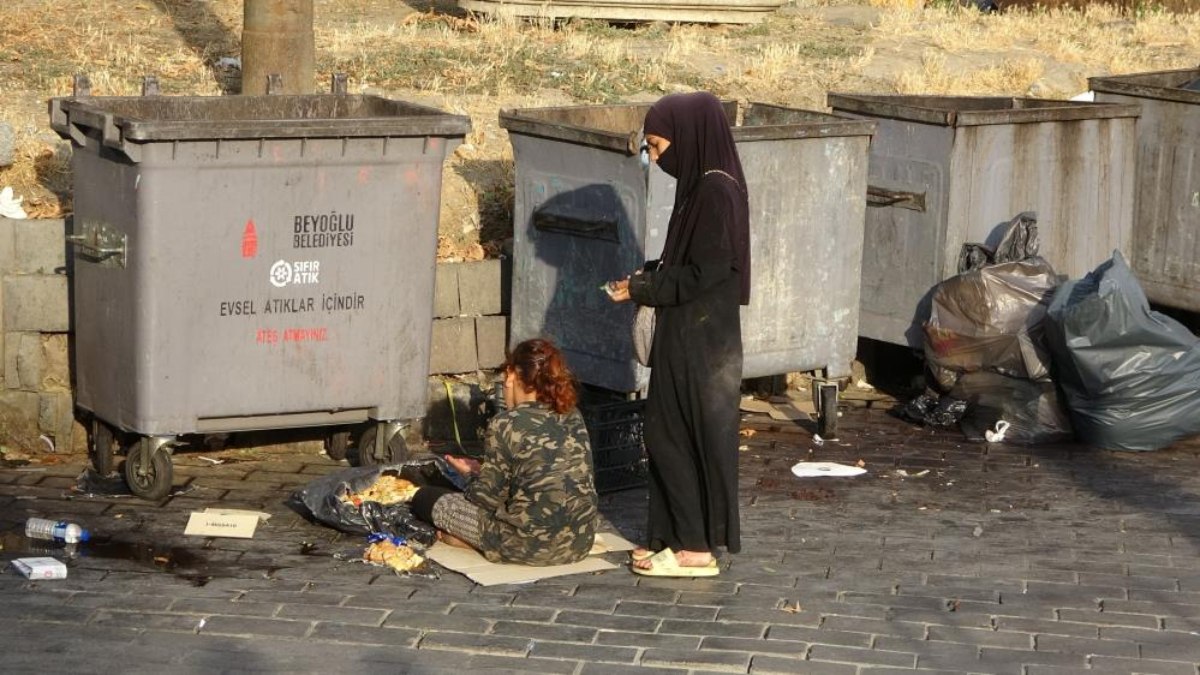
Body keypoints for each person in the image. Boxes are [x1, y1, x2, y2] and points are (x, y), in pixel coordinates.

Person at [606, 91, 750, 578]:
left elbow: (705, 272)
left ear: (687, 137)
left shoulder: (714, 191)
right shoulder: (702, 186)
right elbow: (690, 264)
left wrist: (647, 287)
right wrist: (649, 276)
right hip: (690, 332)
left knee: (679, 436)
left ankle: (694, 547)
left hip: (701, 340)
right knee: (669, 432)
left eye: (658, 145)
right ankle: (670, 537)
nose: (655, 157)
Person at [410, 338, 599, 566]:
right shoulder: (573, 415)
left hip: (525, 545)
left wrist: (470, 475)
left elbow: (487, 500)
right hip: (580, 542)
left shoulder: (505, 423)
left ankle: (478, 543)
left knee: (425, 498)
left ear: (511, 376)